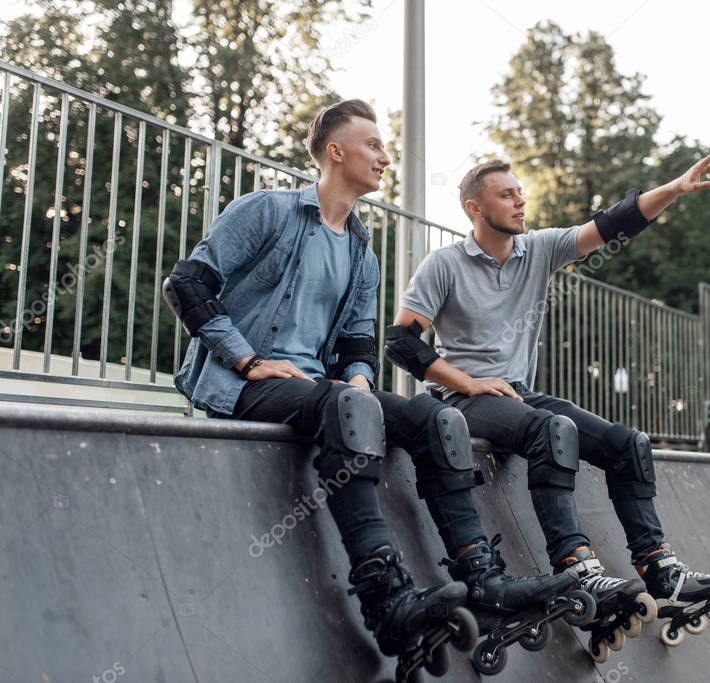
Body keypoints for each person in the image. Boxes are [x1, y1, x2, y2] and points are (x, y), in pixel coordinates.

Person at [166, 100, 573, 671]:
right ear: (336, 151)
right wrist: (247, 359)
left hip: (318, 390)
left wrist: (358, 382)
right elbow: (187, 284)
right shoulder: (266, 211)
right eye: (374, 146)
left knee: (439, 418)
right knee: (347, 404)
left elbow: (359, 345)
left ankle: (482, 578)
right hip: (243, 385)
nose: (386, 157)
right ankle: (386, 599)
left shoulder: (362, 250)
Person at [386, 153, 710, 621]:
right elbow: (401, 344)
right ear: (474, 207)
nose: (520, 201)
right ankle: (576, 567)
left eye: (520, 192)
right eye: (506, 194)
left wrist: (674, 188)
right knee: (551, 429)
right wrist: (469, 382)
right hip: (464, 399)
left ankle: (660, 569)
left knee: (627, 444)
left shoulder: (539, 249)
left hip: (518, 394)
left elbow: (612, 225)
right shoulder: (444, 264)